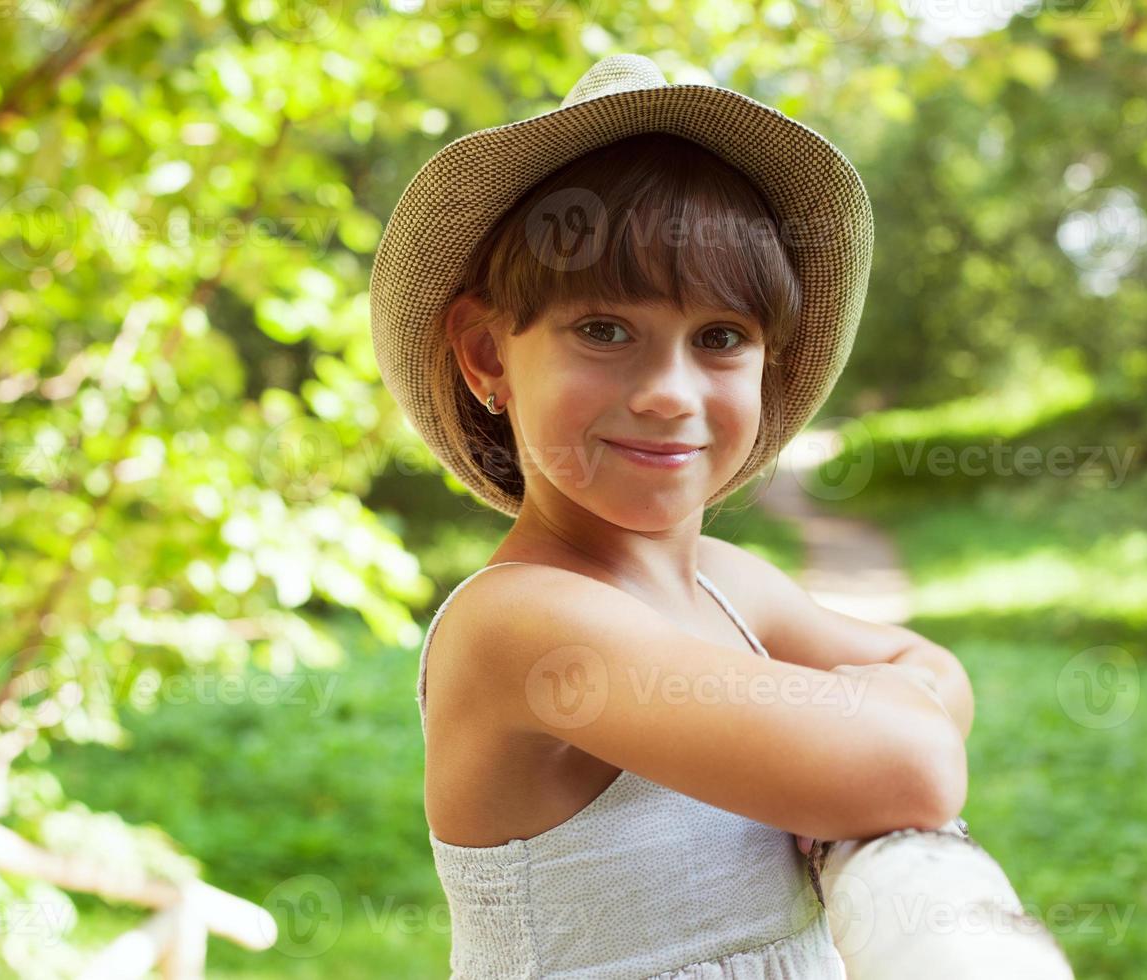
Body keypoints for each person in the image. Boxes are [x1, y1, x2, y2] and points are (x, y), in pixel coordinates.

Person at [370, 52, 1066, 979]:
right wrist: (873, 720)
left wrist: (884, 713)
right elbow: (917, 764)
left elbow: (930, 671)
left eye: (721, 338)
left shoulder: (729, 588)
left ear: (767, 364)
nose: (667, 393)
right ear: (486, 356)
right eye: (604, 331)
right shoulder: (522, 624)